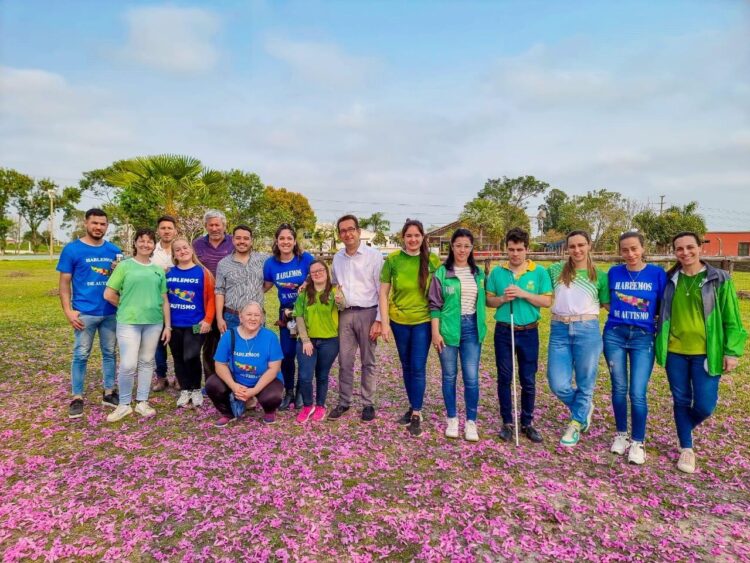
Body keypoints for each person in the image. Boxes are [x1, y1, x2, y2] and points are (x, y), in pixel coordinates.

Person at [656, 232, 746, 474]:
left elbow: (732, 319)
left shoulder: (719, 278)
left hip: (707, 353)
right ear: (674, 252)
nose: (685, 253)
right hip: (675, 352)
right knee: (681, 400)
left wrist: (732, 351)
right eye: (680, 249)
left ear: (700, 248)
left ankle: (684, 428)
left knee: (705, 405)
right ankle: (687, 448)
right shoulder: (669, 279)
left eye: (690, 247)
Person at [603, 231, 667, 464]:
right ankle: (621, 435)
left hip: (643, 337)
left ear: (642, 248)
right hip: (615, 335)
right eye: (625, 250)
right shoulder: (614, 273)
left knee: (637, 392)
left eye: (634, 249)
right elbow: (606, 300)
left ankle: (638, 442)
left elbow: (661, 305)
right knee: (619, 387)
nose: (630, 254)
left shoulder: (656, 274)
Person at [486, 228, 552, 444]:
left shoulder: (539, 272)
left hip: (529, 331)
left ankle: (527, 422)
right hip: (504, 330)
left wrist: (523, 294)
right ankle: (507, 422)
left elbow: (546, 301)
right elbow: (489, 301)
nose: (515, 254)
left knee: (528, 379)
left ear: (527, 249)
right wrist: (503, 299)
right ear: (506, 248)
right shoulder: (497, 272)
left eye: (519, 250)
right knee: (505, 377)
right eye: (511, 249)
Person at [547, 230, 609, 447]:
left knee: (585, 380)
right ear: (567, 248)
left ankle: (575, 422)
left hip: (587, 329)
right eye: (572, 246)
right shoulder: (554, 270)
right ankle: (583, 407)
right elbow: (541, 291)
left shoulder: (599, 276)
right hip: (559, 329)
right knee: (557, 383)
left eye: (581, 245)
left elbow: (608, 305)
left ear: (589, 245)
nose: (577, 250)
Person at [57, 208, 121, 419]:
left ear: (107, 226)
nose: (98, 227)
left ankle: (109, 392)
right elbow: (64, 283)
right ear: (86, 223)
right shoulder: (72, 250)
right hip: (84, 313)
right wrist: (68, 311)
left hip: (110, 313)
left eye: (102, 224)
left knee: (109, 353)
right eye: (94, 223)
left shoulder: (114, 251)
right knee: (81, 354)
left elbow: (120, 282)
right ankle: (77, 397)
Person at [379, 219, 441, 437]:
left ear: (422, 237)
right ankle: (413, 404)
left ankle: (416, 411)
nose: (413, 239)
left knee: (417, 365)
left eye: (417, 235)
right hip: (399, 322)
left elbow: (438, 293)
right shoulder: (393, 260)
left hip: (423, 321)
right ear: (402, 238)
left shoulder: (432, 260)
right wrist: (385, 323)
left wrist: (438, 325)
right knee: (406, 365)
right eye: (408, 236)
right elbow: (384, 294)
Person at [104, 228, 171, 422]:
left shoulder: (158, 270)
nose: (145, 244)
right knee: (128, 364)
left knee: (147, 361)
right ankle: (124, 404)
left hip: (153, 322)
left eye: (149, 242)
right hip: (129, 322)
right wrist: (126, 306)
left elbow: (164, 299)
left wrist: (168, 326)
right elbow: (109, 294)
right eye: (141, 241)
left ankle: (142, 401)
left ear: (153, 245)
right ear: (135, 243)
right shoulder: (124, 266)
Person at [429, 228, 486, 442]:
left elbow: (485, 299)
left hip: (472, 328)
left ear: (471, 248)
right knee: (449, 375)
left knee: (471, 377)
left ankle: (471, 421)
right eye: (458, 245)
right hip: (448, 330)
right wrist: (435, 332)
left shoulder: (478, 273)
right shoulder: (442, 273)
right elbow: (434, 305)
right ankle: (452, 418)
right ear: (451, 247)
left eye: (466, 246)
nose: (462, 250)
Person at [328, 214, 384, 422]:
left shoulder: (374, 256)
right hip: (345, 314)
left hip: (368, 312)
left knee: (368, 361)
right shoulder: (337, 258)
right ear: (339, 235)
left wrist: (379, 319)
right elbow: (334, 284)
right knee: (345, 360)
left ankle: (368, 403)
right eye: (343, 230)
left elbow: (382, 290)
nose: (347, 233)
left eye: (351, 229)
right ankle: (344, 401)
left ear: (359, 231)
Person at [206, 301, 285, 427]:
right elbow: (220, 364)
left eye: (257, 315)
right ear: (240, 317)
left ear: (262, 319)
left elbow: (274, 368)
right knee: (212, 384)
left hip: (262, 381)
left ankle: (269, 411)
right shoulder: (229, 335)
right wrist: (233, 386)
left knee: (273, 397)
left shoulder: (270, 337)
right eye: (249, 314)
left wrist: (253, 391)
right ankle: (228, 413)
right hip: (237, 380)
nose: (253, 318)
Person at [263, 224, 315, 410]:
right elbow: (266, 285)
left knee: (304, 353)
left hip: (306, 312)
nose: (285, 242)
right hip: (287, 314)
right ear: (277, 241)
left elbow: (318, 273)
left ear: (294, 241)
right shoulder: (271, 263)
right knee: (287, 353)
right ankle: (289, 391)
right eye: (282, 238)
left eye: (289, 238)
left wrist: (307, 282)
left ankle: (302, 391)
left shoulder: (305, 258)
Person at [167, 237, 216, 409]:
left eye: (185, 248)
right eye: (178, 249)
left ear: (191, 249)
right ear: (174, 254)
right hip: (174, 324)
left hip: (196, 323)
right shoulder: (168, 273)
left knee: (191, 355)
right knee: (178, 358)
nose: (182, 251)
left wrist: (208, 320)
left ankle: (196, 388)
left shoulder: (203, 272)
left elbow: (211, 299)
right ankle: (185, 389)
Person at [293, 260, 344, 423]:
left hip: (330, 341)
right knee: (305, 375)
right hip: (307, 341)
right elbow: (299, 317)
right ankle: (308, 405)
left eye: (320, 270)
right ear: (310, 275)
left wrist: (339, 299)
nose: (317, 273)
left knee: (322, 375)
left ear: (326, 271)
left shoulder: (335, 290)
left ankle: (321, 405)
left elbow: (343, 306)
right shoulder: (303, 294)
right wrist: (306, 340)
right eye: (313, 272)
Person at [193, 210, 235, 381]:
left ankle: (231, 379)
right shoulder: (197, 244)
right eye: (211, 225)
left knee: (229, 340)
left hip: (230, 300)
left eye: (218, 224)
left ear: (224, 226)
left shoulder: (233, 242)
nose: (215, 228)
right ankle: (210, 380)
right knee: (206, 340)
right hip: (204, 301)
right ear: (206, 226)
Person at [215, 225, 270, 334]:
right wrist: (219, 318)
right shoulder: (223, 264)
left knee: (256, 349)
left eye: (246, 238)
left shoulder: (263, 260)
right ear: (233, 240)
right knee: (233, 349)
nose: (242, 241)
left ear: (251, 241)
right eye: (238, 238)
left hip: (256, 316)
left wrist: (257, 290)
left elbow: (269, 281)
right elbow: (219, 291)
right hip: (232, 317)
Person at [151, 215, 178, 392]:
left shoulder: (181, 249)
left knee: (178, 344)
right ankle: (161, 377)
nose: (166, 231)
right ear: (158, 231)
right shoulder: (151, 251)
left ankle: (179, 376)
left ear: (175, 231)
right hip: (156, 304)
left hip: (178, 304)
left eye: (170, 228)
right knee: (158, 344)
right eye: (163, 228)